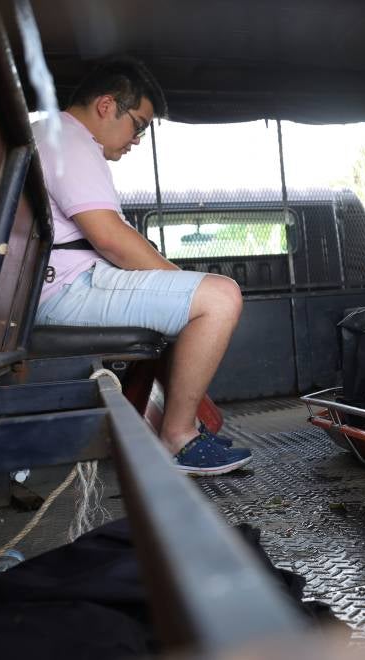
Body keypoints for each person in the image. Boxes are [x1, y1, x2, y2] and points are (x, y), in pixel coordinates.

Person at [32, 57, 251, 476]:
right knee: (219, 298)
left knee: (198, 295)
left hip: (69, 281)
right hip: (68, 289)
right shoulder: (68, 141)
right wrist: (180, 281)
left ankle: (182, 427)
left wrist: (175, 282)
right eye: (139, 124)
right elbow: (110, 238)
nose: (137, 139)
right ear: (106, 105)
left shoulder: (60, 138)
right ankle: (178, 437)